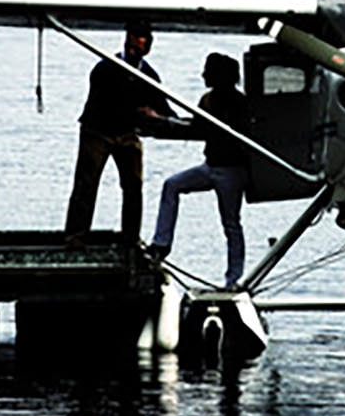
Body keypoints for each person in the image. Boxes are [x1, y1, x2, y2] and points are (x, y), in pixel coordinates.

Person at [146, 52, 252, 287]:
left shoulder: (240, 103)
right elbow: (196, 128)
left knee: (231, 223)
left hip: (232, 172)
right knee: (171, 185)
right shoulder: (207, 100)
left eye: (208, 71)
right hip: (210, 167)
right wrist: (162, 120)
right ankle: (161, 244)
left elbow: (237, 131)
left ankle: (233, 278)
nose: (203, 75)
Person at [67, 19, 173, 244]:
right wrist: (139, 112)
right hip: (98, 130)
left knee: (133, 186)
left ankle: (130, 238)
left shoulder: (149, 75)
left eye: (139, 47)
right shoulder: (105, 68)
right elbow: (105, 103)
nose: (134, 51)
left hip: (127, 134)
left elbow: (165, 109)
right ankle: (76, 236)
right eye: (131, 46)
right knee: (86, 184)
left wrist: (158, 117)